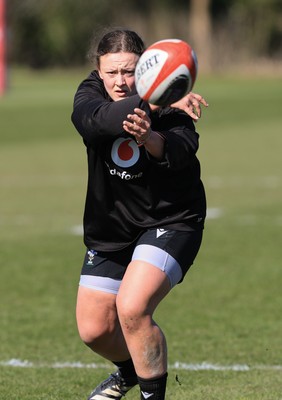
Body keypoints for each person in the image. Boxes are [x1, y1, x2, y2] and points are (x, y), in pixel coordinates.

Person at [71, 28, 208, 400]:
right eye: (111, 72)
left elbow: (181, 149)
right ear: (99, 70)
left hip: (172, 219)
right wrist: (153, 99)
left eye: (130, 72)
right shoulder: (91, 93)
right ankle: (130, 371)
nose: (120, 81)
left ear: (145, 66)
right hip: (113, 224)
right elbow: (95, 121)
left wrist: (150, 137)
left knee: (132, 307)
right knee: (94, 330)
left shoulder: (172, 97)